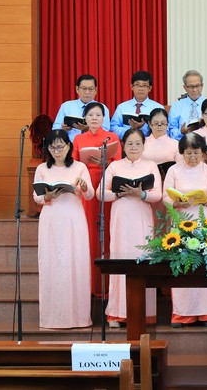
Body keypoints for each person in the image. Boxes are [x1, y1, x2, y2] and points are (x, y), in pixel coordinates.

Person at [99, 129, 162, 327]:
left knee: (143, 258)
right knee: (120, 260)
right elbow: (100, 193)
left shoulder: (151, 166)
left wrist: (141, 194)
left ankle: (145, 313)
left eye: (138, 144)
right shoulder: (114, 166)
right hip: (121, 218)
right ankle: (117, 313)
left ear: (144, 146)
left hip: (142, 217)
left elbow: (158, 195)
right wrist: (119, 194)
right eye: (130, 144)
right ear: (123, 146)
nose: (134, 147)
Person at [33, 129, 94, 329]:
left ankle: (79, 318)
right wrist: (47, 196)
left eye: (61, 146)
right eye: (53, 147)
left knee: (75, 263)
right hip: (51, 219)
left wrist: (84, 187)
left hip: (73, 219)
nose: (57, 150)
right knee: (51, 264)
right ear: (47, 149)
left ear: (69, 146)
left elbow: (90, 195)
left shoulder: (79, 167)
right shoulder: (42, 168)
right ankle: (52, 318)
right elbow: (37, 197)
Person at [163, 133, 207, 327]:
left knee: (205, 264)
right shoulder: (173, 170)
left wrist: (206, 200)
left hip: (205, 222)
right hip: (182, 222)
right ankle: (182, 313)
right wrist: (177, 202)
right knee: (183, 264)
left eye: (196, 153)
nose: (192, 157)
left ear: (203, 152)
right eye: (188, 153)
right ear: (182, 153)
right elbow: (165, 197)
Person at [72, 101, 122, 297]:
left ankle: (108, 286)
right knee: (88, 232)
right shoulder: (78, 138)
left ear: (104, 118)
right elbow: (73, 164)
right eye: (90, 115)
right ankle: (90, 285)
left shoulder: (112, 137)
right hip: (86, 185)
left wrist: (105, 162)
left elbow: (119, 165)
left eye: (98, 115)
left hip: (106, 183)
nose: (94, 118)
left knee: (107, 229)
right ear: (85, 118)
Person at [52, 74, 111, 142]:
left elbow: (106, 130)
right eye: (84, 88)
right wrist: (62, 128)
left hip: (95, 144)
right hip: (70, 145)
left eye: (91, 89)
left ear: (95, 90)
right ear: (77, 89)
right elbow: (55, 129)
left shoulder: (102, 108)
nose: (87, 92)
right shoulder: (66, 106)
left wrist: (89, 129)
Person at [110, 70, 164, 139]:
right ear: (132, 87)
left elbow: (164, 130)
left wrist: (144, 127)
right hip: (127, 143)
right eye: (137, 85)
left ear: (150, 88)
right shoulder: (122, 107)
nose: (141, 89)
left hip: (150, 143)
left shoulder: (158, 108)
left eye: (144, 85)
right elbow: (113, 128)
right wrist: (130, 130)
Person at [168, 70, 206, 140]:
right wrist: (181, 132)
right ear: (185, 87)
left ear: (202, 86)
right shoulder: (176, 106)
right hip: (182, 142)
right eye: (191, 86)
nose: (195, 90)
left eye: (197, 86)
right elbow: (171, 131)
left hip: (206, 141)